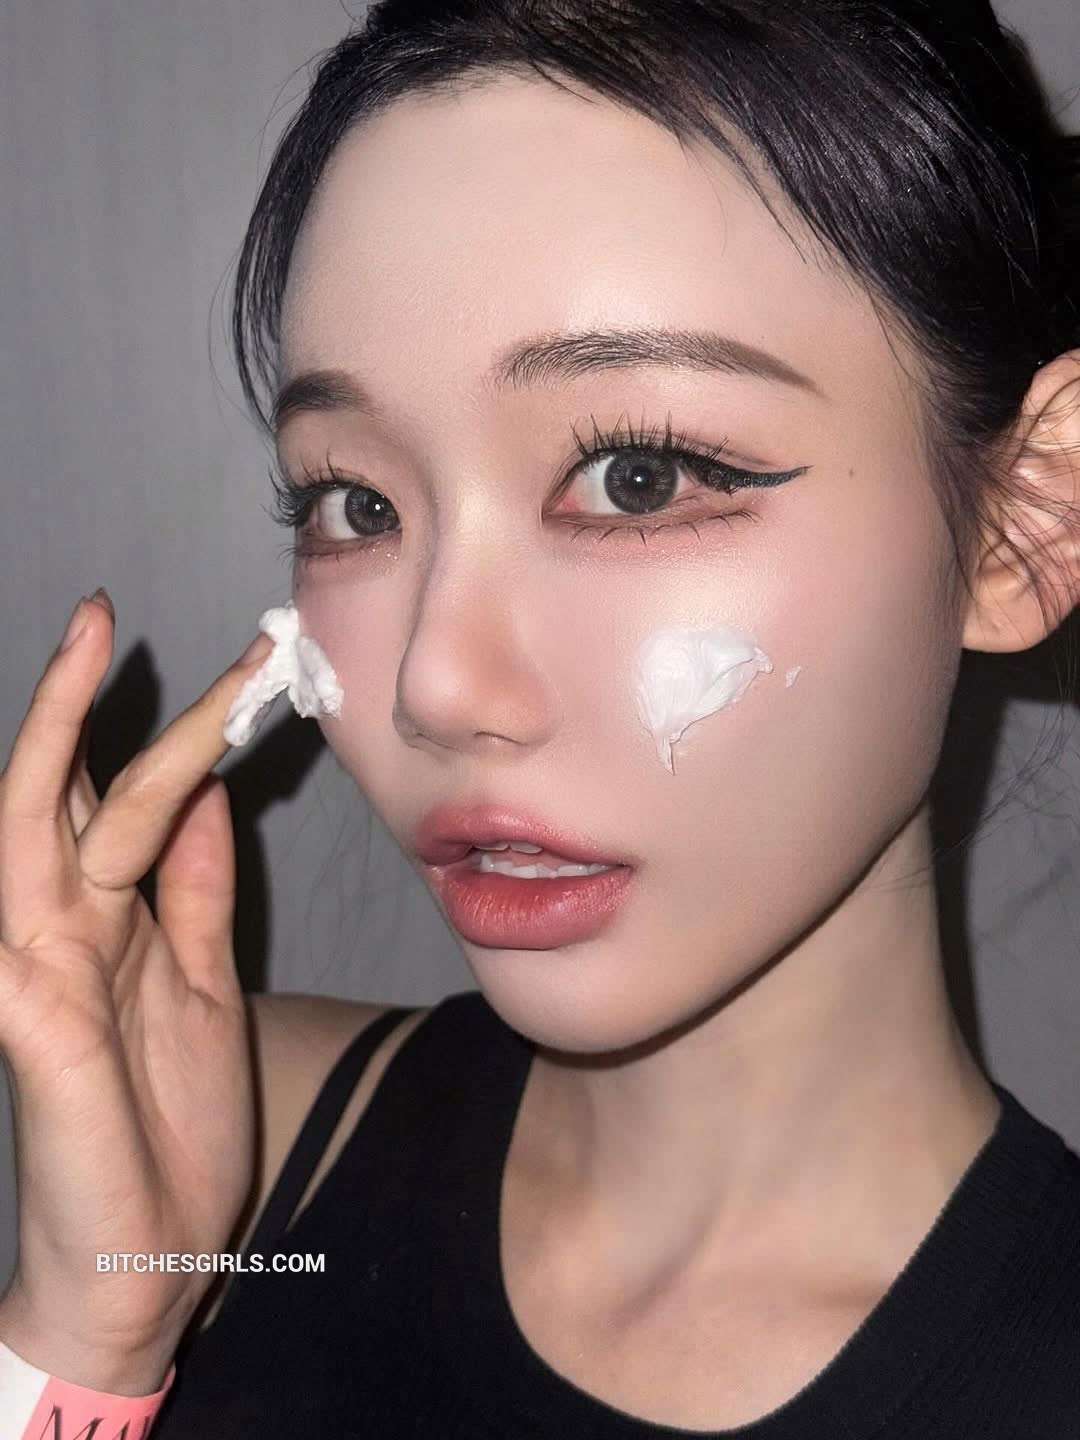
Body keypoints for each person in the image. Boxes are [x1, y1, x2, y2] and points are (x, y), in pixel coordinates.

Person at [1, 0, 1079, 1434]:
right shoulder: (223, 1162)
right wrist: (90, 1332)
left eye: (640, 476)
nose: (434, 686)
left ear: (1025, 519)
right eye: (355, 501)